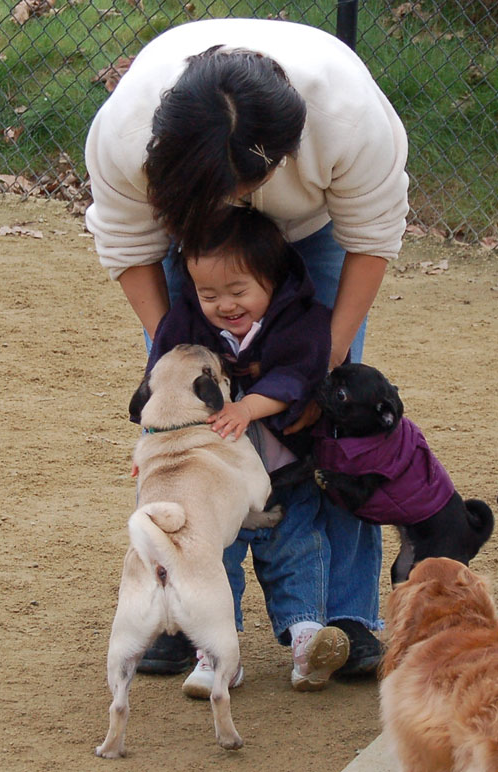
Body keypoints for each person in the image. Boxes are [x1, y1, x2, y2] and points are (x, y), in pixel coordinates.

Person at [85, 17, 409, 677]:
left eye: (246, 182)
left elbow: (373, 238)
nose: (240, 199)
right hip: (194, 233)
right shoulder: (126, 134)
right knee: (186, 423)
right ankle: (181, 614)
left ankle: (347, 620)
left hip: (318, 228)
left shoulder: (348, 117)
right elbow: (128, 246)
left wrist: (320, 364)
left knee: (333, 419)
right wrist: (178, 361)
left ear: (285, 151)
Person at [145, 205, 351, 692]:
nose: (225, 305)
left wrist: (247, 407)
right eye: (209, 294)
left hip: (282, 469)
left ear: (272, 281)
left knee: (298, 548)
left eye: (239, 292)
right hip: (214, 479)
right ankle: (216, 653)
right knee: (214, 556)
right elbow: (161, 382)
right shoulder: (185, 323)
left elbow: (298, 374)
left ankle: (308, 641)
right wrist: (151, 449)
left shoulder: (300, 318)